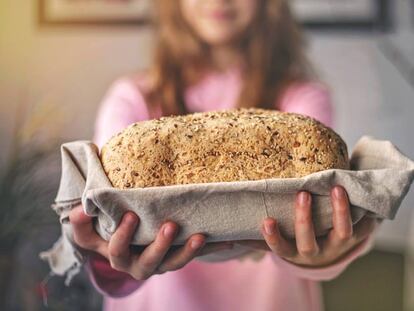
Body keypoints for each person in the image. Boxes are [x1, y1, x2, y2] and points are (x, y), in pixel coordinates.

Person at [69, 1, 379, 310]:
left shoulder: (302, 98)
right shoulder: (131, 99)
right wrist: (109, 256)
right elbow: (110, 227)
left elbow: (316, 220)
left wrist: (328, 253)